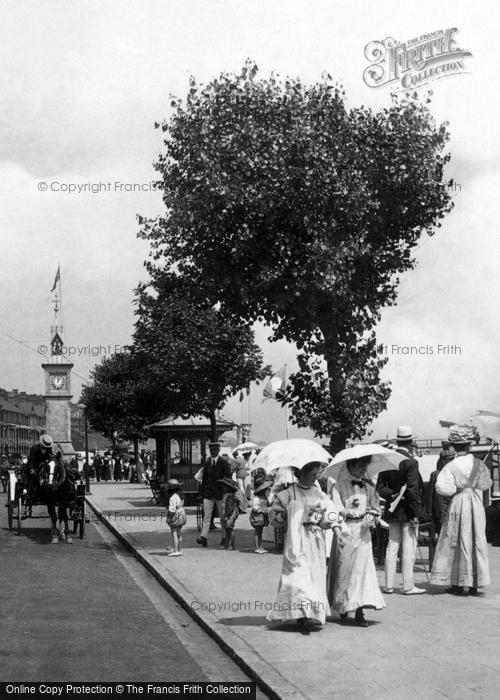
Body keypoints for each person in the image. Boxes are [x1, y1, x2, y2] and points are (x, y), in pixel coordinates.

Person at [267, 461, 342, 634]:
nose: (315, 477)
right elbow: (274, 517)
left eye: (317, 473)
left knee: (314, 576)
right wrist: (285, 513)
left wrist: (335, 526)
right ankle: (301, 615)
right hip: (296, 540)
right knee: (297, 576)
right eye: (311, 473)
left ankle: (310, 614)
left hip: (314, 539)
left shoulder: (319, 493)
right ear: (300, 473)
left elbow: (329, 512)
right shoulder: (288, 493)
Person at [431, 425, 492, 595]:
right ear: (469, 445)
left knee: (455, 539)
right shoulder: (478, 464)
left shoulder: (451, 466)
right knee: (475, 538)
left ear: (454, 446)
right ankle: (473, 583)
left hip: (458, 502)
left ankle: (457, 582)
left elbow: (445, 489)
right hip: (475, 502)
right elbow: (485, 484)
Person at [327, 457, 385, 627]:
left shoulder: (369, 487)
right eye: (359, 466)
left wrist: (372, 517)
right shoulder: (338, 486)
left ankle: (360, 610)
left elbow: (376, 508)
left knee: (362, 571)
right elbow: (335, 509)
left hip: (364, 532)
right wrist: (346, 511)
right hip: (347, 530)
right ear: (350, 466)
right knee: (345, 570)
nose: (362, 469)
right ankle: (344, 605)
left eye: (364, 466)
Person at [376, 426, 427, 595]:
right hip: (407, 510)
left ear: (398, 441)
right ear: (411, 442)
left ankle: (388, 585)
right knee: (408, 546)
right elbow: (413, 490)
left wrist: (393, 494)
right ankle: (408, 585)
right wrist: (416, 513)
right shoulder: (411, 462)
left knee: (392, 545)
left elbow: (380, 488)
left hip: (392, 510)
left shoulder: (387, 460)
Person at [196, 442, 231, 547]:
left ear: (218, 450)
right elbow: (204, 479)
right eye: (211, 450)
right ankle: (204, 537)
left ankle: (224, 537)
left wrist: (226, 493)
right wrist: (201, 494)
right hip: (208, 493)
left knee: (222, 517)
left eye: (215, 450)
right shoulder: (207, 463)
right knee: (207, 517)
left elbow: (228, 479)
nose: (213, 452)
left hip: (220, 494)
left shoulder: (224, 463)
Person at [426, 442, 455, 536]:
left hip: (452, 507)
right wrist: (429, 511)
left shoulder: (455, 473)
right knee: (442, 532)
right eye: (449, 460)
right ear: (443, 460)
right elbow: (430, 494)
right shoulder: (435, 474)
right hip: (440, 509)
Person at [217, 477, 239, 550]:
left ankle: (231, 545)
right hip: (227, 514)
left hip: (230, 514)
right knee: (227, 530)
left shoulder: (229, 496)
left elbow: (229, 507)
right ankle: (226, 544)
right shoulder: (227, 495)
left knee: (230, 529)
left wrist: (226, 515)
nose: (223, 488)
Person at [165, 479, 186, 557]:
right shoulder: (180, 495)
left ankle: (175, 550)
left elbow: (172, 510)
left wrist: (168, 518)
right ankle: (179, 550)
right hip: (182, 513)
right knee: (179, 532)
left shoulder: (172, 498)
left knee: (174, 532)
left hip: (176, 514)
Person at [250, 480, 271, 553]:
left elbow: (267, 504)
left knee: (260, 532)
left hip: (262, 516)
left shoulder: (264, 497)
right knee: (257, 531)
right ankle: (257, 547)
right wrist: (261, 510)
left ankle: (260, 546)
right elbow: (255, 508)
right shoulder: (256, 498)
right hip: (257, 516)